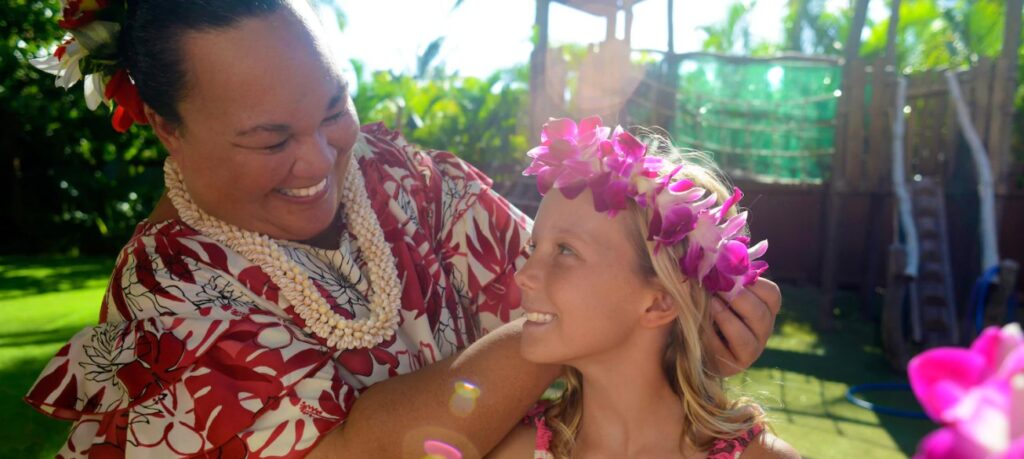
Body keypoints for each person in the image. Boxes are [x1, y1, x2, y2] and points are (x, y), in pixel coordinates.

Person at [25, 1, 782, 457]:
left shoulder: (403, 175)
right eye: (270, 139)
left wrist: (692, 311)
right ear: (165, 126)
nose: (318, 158)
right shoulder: (172, 297)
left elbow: (596, 267)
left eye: (332, 108)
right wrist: (581, 318)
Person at [488, 118, 798, 459]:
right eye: (534, 248)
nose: (524, 275)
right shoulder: (510, 449)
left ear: (660, 302)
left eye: (565, 250)